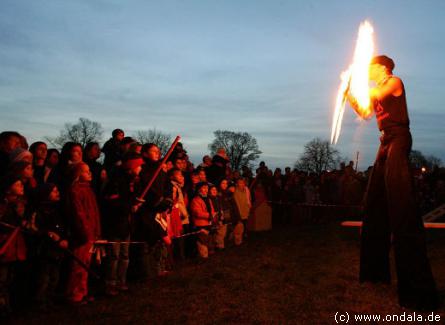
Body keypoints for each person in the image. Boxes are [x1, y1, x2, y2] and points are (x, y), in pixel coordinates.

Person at [347, 55, 438, 309]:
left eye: (370, 68)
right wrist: (351, 97)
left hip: (399, 139)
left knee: (401, 204)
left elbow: (375, 96)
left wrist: (356, 86)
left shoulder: (393, 82)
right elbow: (366, 112)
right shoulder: (378, 88)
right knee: (374, 204)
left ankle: (417, 290)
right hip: (385, 141)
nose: (369, 72)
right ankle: (375, 274)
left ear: (382, 67)